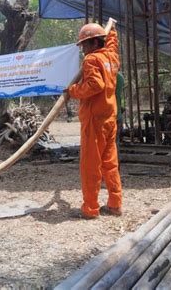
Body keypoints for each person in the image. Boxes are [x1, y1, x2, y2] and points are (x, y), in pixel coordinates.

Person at [65, 21, 123, 219]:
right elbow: (113, 43)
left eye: (83, 46)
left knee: (91, 165)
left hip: (94, 120)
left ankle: (90, 208)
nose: (82, 50)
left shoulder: (91, 60)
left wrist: (73, 91)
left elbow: (94, 85)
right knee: (110, 163)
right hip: (109, 118)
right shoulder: (112, 57)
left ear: (91, 43)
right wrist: (112, 29)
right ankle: (115, 204)